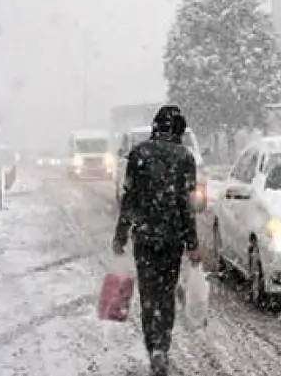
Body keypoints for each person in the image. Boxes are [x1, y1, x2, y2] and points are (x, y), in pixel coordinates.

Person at [112, 105, 203, 376]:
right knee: (166, 294)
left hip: (145, 237)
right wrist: (192, 243)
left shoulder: (138, 155)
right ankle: (163, 343)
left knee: (149, 294)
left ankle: (154, 348)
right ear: (178, 130)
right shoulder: (185, 158)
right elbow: (186, 205)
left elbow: (129, 200)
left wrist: (121, 235)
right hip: (172, 239)